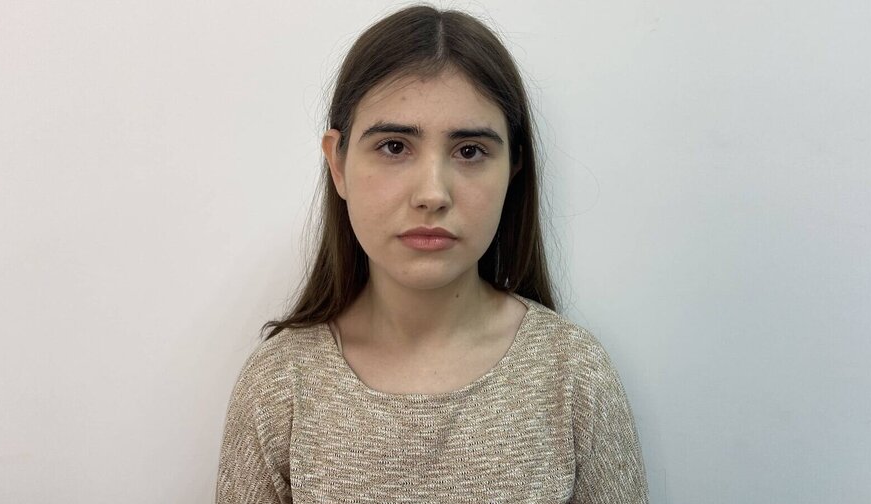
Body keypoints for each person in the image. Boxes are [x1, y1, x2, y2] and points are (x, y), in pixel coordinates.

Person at [216, 5, 648, 503]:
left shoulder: (574, 379)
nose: (432, 194)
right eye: (394, 146)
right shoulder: (280, 387)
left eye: (470, 151)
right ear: (338, 163)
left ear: (513, 169)